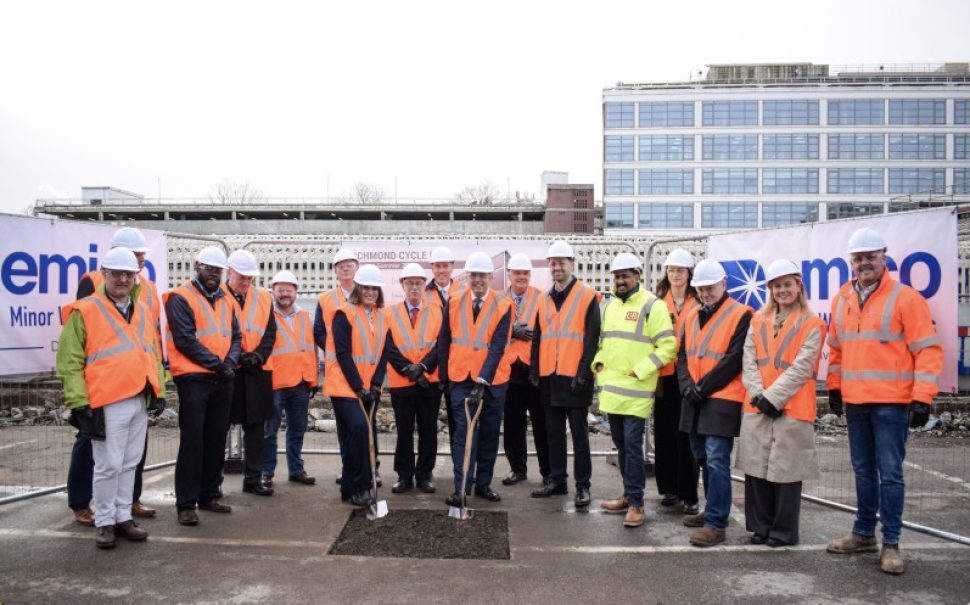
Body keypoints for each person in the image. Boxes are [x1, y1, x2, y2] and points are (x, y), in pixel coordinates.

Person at [825, 227, 943, 575]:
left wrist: (922, 397)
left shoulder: (906, 298)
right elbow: (836, 349)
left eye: (870, 257)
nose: (864, 263)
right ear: (851, 261)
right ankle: (863, 534)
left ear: (883, 256)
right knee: (863, 470)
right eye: (858, 258)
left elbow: (927, 351)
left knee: (890, 474)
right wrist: (834, 386)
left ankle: (890, 543)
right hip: (857, 402)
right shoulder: (843, 298)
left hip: (892, 403)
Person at [56, 247, 165, 548]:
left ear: (135, 277)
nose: (122, 279)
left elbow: (152, 354)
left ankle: (122, 517)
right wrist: (79, 403)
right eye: (116, 273)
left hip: (138, 399)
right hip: (106, 402)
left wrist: (159, 390)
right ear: (104, 274)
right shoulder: (86, 310)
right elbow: (69, 361)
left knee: (130, 462)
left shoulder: (142, 310)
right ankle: (104, 522)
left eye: (127, 274)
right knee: (107, 465)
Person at [738, 259, 825, 547]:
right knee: (757, 469)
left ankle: (783, 532)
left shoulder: (812, 324)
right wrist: (758, 394)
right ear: (770, 290)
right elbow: (748, 360)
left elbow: (802, 366)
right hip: (758, 404)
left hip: (791, 406)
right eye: (777, 286)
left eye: (787, 284)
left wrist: (773, 397)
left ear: (798, 285)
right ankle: (760, 527)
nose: (782, 290)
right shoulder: (757, 321)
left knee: (785, 472)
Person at [594, 253, 677, 528]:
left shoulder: (653, 306)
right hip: (613, 391)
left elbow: (668, 348)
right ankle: (628, 496)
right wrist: (598, 362)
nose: (620, 281)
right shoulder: (610, 307)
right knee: (621, 446)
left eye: (625, 276)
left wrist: (641, 370)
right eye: (617, 276)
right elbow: (606, 342)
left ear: (637, 276)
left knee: (632, 447)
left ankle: (637, 504)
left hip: (637, 392)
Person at [164, 246, 242, 526]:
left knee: (215, 439)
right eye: (209, 268)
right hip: (194, 379)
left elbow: (235, 336)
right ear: (197, 265)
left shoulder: (226, 299)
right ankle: (186, 502)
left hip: (222, 378)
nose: (213, 274)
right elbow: (185, 340)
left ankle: (210, 493)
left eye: (218, 270)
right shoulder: (180, 297)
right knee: (193, 442)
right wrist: (218, 364)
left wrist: (230, 363)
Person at [677, 259, 752, 547]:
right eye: (701, 289)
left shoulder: (741, 315)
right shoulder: (692, 314)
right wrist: (686, 386)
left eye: (710, 288)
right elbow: (682, 354)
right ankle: (711, 511)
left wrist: (702, 387)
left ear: (723, 284)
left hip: (720, 398)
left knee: (717, 460)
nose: (705, 294)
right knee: (702, 458)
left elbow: (733, 360)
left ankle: (716, 523)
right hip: (694, 397)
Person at [530, 240, 601, 507]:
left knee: (580, 436)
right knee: (553, 434)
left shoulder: (587, 295)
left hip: (575, 377)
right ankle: (557, 480)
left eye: (561, 262)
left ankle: (583, 486)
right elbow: (538, 337)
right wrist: (535, 370)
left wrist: (584, 374)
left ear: (572, 264)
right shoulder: (543, 298)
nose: (556, 266)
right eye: (552, 262)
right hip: (550, 376)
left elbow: (592, 339)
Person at [438, 251, 512, 506]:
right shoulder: (454, 301)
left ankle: (483, 484)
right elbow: (444, 340)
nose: (477, 280)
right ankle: (461, 487)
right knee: (462, 434)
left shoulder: (503, 304)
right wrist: (444, 377)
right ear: (467, 276)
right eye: (473, 275)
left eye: (482, 275)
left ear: (491, 277)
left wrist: (483, 381)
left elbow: (498, 346)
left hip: (493, 382)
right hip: (460, 377)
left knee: (489, 433)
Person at [324, 264, 391, 506]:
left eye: (374, 288)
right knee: (360, 430)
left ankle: (349, 488)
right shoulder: (345, 313)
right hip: (344, 386)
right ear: (358, 288)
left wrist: (375, 385)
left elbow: (383, 354)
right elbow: (343, 354)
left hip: (367, 388)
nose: (370, 292)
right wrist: (358, 387)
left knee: (360, 434)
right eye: (366, 287)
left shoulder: (384, 316)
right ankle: (363, 485)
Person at [313, 248, 378, 487]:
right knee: (348, 428)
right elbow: (319, 331)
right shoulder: (326, 299)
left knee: (367, 426)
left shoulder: (371, 297)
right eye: (340, 266)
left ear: (357, 268)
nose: (345, 269)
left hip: (366, 375)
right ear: (335, 271)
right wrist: (337, 348)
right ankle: (349, 470)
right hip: (339, 372)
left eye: (349, 264)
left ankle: (372, 468)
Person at [222, 250, 277, 497]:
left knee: (256, 430)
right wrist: (237, 357)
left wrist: (258, 355)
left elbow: (270, 332)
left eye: (250, 278)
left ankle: (253, 479)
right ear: (229, 272)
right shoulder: (217, 296)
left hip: (257, 371)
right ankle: (212, 484)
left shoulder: (264, 297)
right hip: (227, 372)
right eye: (241, 277)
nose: (246, 282)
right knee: (218, 426)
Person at [384, 263, 442, 494]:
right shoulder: (390, 312)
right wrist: (409, 370)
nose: (415, 287)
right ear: (402, 285)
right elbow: (388, 346)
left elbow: (441, 346)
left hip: (429, 382)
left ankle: (425, 475)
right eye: (410, 283)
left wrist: (423, 367)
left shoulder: (438, 310)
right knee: (404, 431)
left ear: (424, 285)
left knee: (428, 430)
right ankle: (404, 476)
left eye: (419, 283)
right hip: (402, 382)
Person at [653, 248, 701, 515]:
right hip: (664, 374)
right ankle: (668, 488)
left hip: (689, 376)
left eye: (680, 270)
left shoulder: (698, 301)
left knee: (686, 436)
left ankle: (688, 492)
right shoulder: (660, 301)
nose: (675, 274)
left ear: (689, 273)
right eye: (671, 270)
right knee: (664, 433)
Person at [262, 270, 318, 487]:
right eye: (280, 290)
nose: (285, 294)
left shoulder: (304, 315)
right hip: (275, 383)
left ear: (296, 292)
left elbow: (310, 347)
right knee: (270, 432)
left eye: (289, 290)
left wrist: (312, 379)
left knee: (297, 429)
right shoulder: (266, 314)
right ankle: (267, 472)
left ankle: (296, 469)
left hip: (301, 383)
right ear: (273, 291)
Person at [500, 253, 549, 487]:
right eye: (516, 273)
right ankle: (517, 469)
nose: (521, 277)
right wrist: (512, 332)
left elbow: (548, 332)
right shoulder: (498, 300)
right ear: (508, 274)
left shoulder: (541, 298)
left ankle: (547, 471)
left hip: (534, 371)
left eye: (525, 273)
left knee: (541, 423)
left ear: (530, 275)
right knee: (512, 424)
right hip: (508, 371)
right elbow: (490, 332)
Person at [425, 244, 465, 442]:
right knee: (428, 421)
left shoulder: (464, 293)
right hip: (431, 369)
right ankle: (427, 471)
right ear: (432, 268)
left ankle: (460, 466)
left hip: (456, 366)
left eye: (445, 266)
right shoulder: (424, 295)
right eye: (437, 266)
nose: (441, 270)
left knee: (458, 418)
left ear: (452, 267)